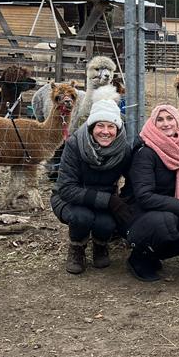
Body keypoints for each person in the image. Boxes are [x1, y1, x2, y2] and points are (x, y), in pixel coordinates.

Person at [51, 100, 134, 275]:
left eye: (111, 126)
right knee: (82, 217)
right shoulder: (75, 145)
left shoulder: (124, 150)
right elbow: (66, 188)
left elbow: (132, 180)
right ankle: (77, 247)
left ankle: (100, 244)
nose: (105, 131)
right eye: (100, 126)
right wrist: (110, 201)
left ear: (118, 129)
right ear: (91, 127)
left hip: (103, 200)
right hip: (71, 199)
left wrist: (123, 200)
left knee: (106, 223)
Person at [124, 104, 179, 282]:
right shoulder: (146, 152)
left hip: (168, 209)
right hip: (138, 212)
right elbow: (144, 196)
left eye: (169, 118)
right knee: (166, 222)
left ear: (177, 121)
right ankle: (138, 257)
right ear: (153, 123)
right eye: (160, 119)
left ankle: (153, 254)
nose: (166, 124)